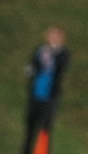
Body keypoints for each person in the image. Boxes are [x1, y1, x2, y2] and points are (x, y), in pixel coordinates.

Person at [20, 26, 69, 154]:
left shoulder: (63, 53)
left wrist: (51, 55)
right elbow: (32, 66)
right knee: (30, 127)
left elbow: (61, 67)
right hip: (35, 94)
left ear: (62, 39)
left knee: (45, 129)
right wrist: (32, 69)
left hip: (50, 97)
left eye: (57, 36)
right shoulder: (40, 50)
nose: (53, 38)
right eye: (51, 35)